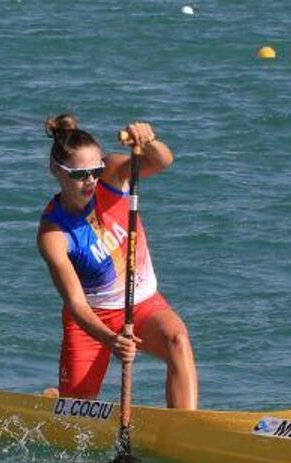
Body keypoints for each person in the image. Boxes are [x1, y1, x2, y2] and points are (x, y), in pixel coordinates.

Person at [37, 114, 198, 410]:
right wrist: (111, 339)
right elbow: (76, 305)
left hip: (142, 303)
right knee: (76, 416)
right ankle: (56, 399)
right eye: (79, 175)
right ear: (56, 172)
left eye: (94, 171)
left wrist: (149, 142)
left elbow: (162, 162)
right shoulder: (54, 234)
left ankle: (184, 427)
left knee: (177, 338)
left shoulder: (111, 175)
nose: (90, 182)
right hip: (91, 319)